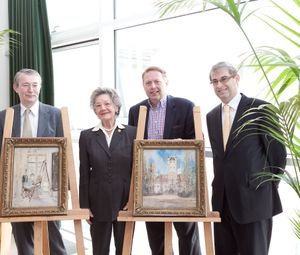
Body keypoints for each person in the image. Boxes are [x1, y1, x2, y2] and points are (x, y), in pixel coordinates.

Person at [206, 61, 287, 255]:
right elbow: (222, 159)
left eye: (224, 79)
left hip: (254, 201)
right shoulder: (211, 116)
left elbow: (277, 155)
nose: (219, 85)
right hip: (222, 203)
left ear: (237, 78)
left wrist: (263, 188)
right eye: (214, 81)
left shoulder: (260, 109)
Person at [128, 66, 201, 255]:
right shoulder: (136, 111)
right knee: (156, 236)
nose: (153, 86)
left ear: (166, 82)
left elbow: (198, 143)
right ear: (143, 86)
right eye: (148, 83)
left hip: (182, 182)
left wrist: (182, 145)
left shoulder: (186, 106)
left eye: (157, 82)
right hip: (149, 186)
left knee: (187, 236)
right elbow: (132, 149)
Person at [0, 68, 67, 255]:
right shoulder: (4, 116)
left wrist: (64, 186)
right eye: (26, 85)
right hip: (15, 188)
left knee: (54, 240)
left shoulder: (55, 114)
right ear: (16, 88)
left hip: (48, 188)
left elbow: (63, 153)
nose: (31, 89)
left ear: (40, 87)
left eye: (35, 85)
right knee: (23, 240)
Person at [79, 87, 136, 255]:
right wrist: (85, 206)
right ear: (95, 110)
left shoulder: (132, 132)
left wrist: (133, 199)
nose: (103, 108)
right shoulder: (87, 136)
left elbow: (138, 170)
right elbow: (84, 172)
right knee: (99, 250)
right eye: (98, 105)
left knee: (124, 250)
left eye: (107, 104)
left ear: (116, 107)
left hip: (125, 202)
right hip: (97, 202)